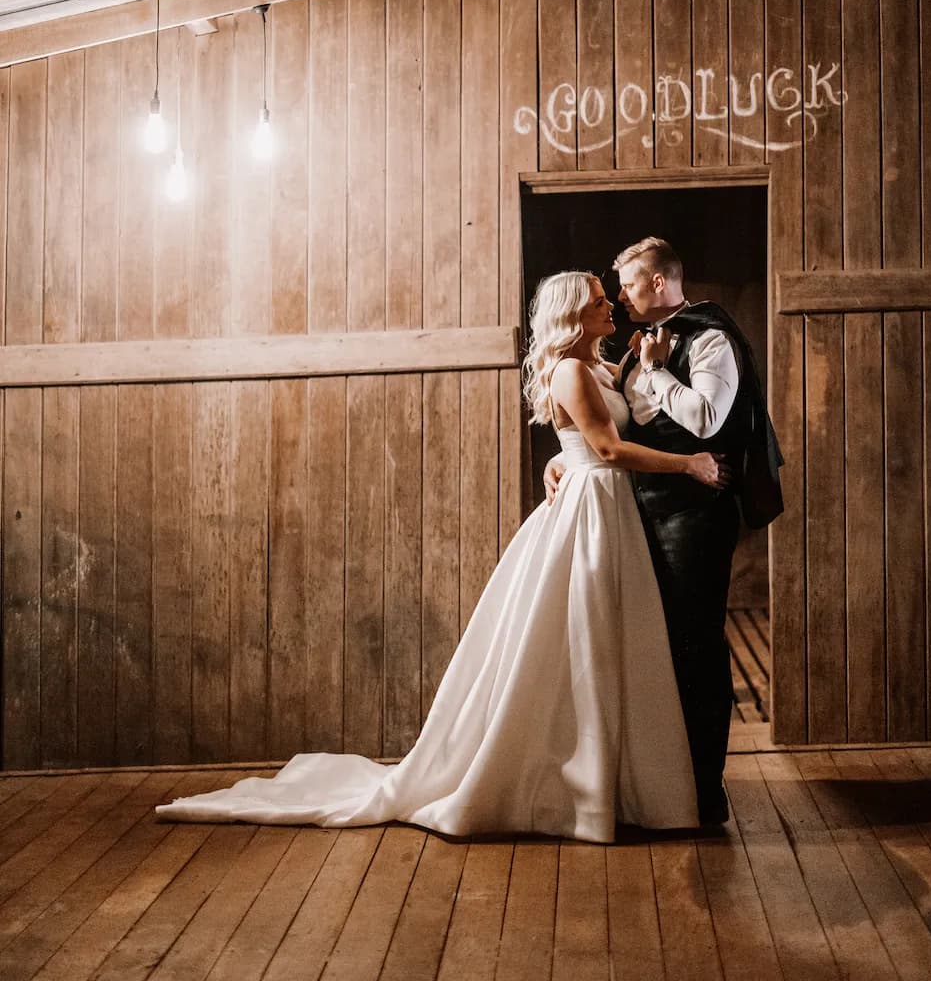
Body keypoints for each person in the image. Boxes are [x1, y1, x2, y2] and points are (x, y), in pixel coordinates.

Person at [157, 271, 726, 843]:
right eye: (601, 302)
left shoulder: (603, 366)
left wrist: (569, 448)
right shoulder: (572, 371)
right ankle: (575, 788)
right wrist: (688, 464)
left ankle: (617, 786)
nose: (612, 307)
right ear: (574, 315)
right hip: (589, 512)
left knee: (606, 640)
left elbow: (583, 441)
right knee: (580, 639)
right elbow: (603, 447)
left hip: (610, 506)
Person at [545, 237, 783, 827]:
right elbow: (603, 432)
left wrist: (654, 374)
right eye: (609, 294)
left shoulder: (709, 338)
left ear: (656, 283)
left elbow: (705, 419)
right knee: (652, 646)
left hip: (693, 515)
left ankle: (703, 791)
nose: (620, 299)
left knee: (695, 646)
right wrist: (566, 458)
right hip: (635, 512)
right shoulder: (625, 354)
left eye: (624, 287)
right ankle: (651, 786)